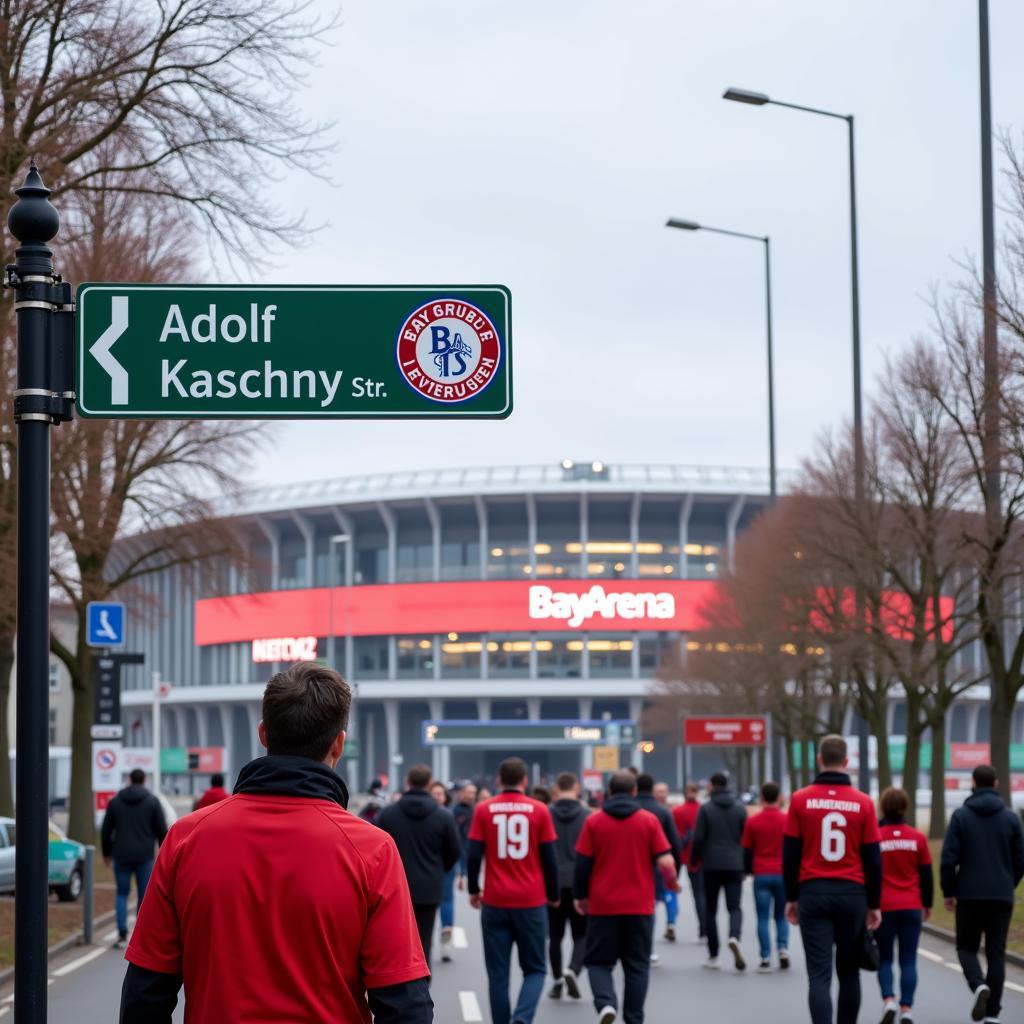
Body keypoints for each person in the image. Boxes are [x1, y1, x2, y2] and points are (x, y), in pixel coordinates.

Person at [119, 662, 432, 1023]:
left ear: (264, 734)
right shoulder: (371, 850)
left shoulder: (187, 838)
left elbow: (145, 993)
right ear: (339, 744)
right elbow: (405, 1004)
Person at [783, 734, 881, 1024]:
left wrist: (792, 897)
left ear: (819, 760)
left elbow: (790, 855)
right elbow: (874, 859)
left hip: (813, 892)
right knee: (849, 973)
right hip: (852, 894)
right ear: (847, 762)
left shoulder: (800, 800)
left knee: (819, 975)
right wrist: (874, 903)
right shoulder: (864, 803)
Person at [574, 769, 678, 1024]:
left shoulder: (594, 822)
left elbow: (582, 864)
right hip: (640, 906)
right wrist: (672, 884)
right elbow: (666, 861)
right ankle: (633, 1018)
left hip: (603, 906)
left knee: (598, 962)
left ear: (609, 792)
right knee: (637, 966)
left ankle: (606, 1003)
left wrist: (581, 896)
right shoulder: (649, 821)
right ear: (634, 792)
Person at [467, 757, 559, 1024]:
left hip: (495, 901)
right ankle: (522, 1018)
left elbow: (473, 854)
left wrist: (474, 889)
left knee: (498, 976)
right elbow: (550, 859)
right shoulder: (540, 810)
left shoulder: (484, 810)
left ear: (498, 780)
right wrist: (553, 895)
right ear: (525, 780)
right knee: (535, 969)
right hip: (531, 902)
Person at [940, 763, 1024, 1024]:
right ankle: (993, 1013)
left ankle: (978, 985)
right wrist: (1010, 883)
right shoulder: (1011, 818)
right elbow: (1020, 858)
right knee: (996, 953)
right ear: (996, 784)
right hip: (1001, 893)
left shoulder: (961, 816)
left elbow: (948, 859)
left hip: (969, 894)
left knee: (966, 947)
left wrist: (949, 890)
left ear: (973, 783)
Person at [377, 764, 462, 968]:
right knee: (424, 940)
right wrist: (440, 869)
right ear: (429, 784)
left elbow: (375, 849)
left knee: (396, 941)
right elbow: (454, 852)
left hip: (394, 887)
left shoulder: (388, 814)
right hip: (429, 887)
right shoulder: (443, 816)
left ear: (407, 782)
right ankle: (423, 983)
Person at [876, 787, 932, 1024]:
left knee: (885, 958)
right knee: (908, 959)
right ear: (906, 807)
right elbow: (926, 875)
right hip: (911, 905)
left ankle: (888, 999)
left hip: (884, 906)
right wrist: (927, 904)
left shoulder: (876, 837)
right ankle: (906, 1007)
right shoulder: (917, 837)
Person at [101, 768, 168, 949]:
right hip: (144, 855)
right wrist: (164, 852)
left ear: (129, 780)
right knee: (144, 895)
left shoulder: (115, 802)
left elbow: (106, 830)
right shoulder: (152, 802)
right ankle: (141, 936)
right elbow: (162, 830)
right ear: (144, 780)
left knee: (122, 893)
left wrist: (106, 853)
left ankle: (122, 933)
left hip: (121, 854)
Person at [691, 771, 747, 970]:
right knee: (734, 907)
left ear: (712, 786)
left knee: (711, 910)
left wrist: (694, 860)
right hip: (734, 863)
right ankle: (734, 936)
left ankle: (713, 954)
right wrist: (746, 865)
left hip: (712, 864)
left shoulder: (706, 809)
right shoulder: (740, 809)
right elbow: (746, 839)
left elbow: (698, 838)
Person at [547, 771, 591, 1000]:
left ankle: (556, 979)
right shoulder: (587, 816)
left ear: (557, 788)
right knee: (581, 934)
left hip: (553, 882)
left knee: (555, 935)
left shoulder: (546, 814)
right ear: (576, 788)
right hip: (579, 881)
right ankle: (572, 969)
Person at [741, 780, 789, 973]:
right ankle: (783, 948)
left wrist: (747, 871)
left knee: (762, 917)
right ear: (779, 797)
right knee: (781, 916)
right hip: (783, 873)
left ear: (761, 798)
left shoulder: (753, 822)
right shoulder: (788, 820)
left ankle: (765, 956)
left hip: (761, 873)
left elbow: (746, 849)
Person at [635, 774, 682, 947]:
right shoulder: (663, 812)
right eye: (659, 791)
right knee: (664, 897)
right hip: (660, 863)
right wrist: (676, 866)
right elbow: (674, 842)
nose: (661, 794)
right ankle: (667, 926)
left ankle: (640, 944)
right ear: (653, 791)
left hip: (634, 865)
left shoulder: (630, 810)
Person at [445, 781, 477, 961]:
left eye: (474, 792)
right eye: (468, 792)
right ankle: (446, 928)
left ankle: (447, 929)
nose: (471, 796)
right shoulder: (453, 812)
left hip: (468, 853)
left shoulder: (476, 811)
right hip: (456, 854)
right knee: (446, 896)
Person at [672, 782, 707, 942]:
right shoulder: (703, 810)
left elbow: (676, 836)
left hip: (685, 855)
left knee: (694, 893)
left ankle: (702, 928)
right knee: (702, 894)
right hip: (701, 857)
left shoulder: (677, 811)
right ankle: (705, 928)